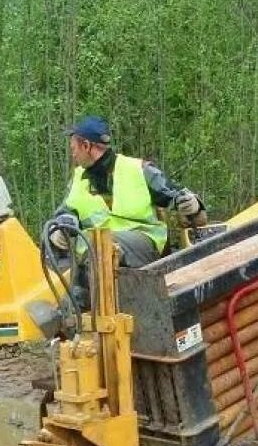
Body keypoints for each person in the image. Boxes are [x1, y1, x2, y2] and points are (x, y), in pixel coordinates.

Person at [46, 116, 205, 308]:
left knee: (102, 245)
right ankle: (75, 318)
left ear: (87, 146)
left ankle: (96, 318)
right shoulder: (78, 178)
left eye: (74, 149)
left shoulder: (139, 170)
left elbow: (182, 203)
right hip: (94, 258)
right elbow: (66, 211)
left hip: (143, 246)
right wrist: (60, 228)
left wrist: (192, 206)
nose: (73, 155)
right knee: (87, 254)